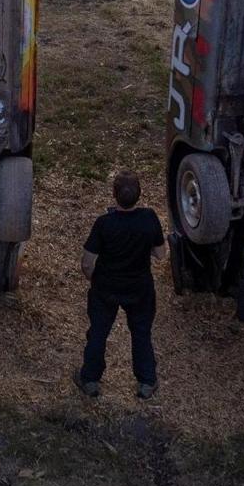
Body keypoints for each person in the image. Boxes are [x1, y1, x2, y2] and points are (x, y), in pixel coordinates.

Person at [76, 170, 162, 399]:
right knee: (141, 333)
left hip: (106, 287)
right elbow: (161, 254)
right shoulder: (149, 218)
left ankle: (90, 380)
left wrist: (93, 278)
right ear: (139, 194)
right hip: (139, 288)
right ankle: (146, 382)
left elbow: (87, 262)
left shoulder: (104, 224)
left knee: (98, 333)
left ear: (114, 195)